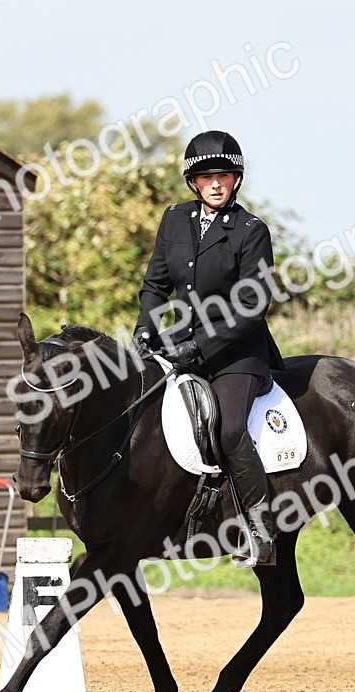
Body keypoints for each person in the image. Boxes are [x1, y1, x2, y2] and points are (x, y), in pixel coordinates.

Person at [133, 130, 285, 568]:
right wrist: (146, 329)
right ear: (193, 182)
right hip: (180, 345)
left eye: (223, 176)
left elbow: (252, 306)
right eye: (206, 177)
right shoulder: (174, 220)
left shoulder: (252, 231)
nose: (215, 184)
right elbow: (156, 284)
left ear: (236, 180)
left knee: (229, 429)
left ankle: (261, 530)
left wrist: (197, 347)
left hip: (237, 354)